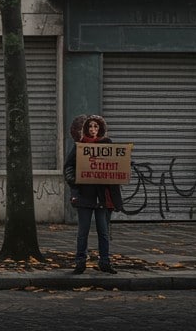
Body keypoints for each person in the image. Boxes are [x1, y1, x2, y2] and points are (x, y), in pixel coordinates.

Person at [63, 114, 122, 275]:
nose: (93, 129)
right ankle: (80, 262)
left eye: (96, 126)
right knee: (83, 232)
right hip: (85, 195)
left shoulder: (107, 145)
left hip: (103, 197)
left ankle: (105, 262)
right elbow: (69, 166)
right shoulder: (80, 145)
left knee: (103, 232)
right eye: (90, 127)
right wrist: (75, 181)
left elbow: (115, 163)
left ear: (101, 128)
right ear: (86, 129)